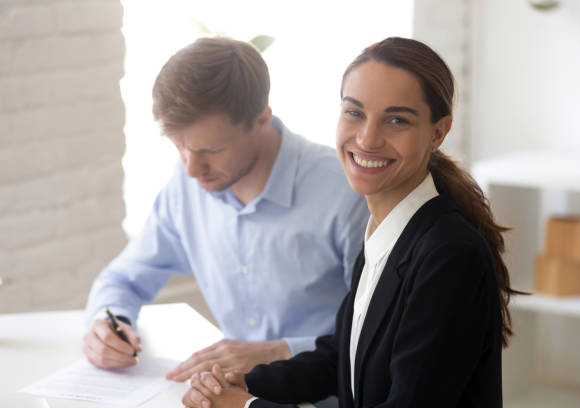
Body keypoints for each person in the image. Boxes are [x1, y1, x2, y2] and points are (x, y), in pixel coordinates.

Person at [182, 37, 520, 408]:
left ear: (438, 132)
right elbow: (340, 357)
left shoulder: (450, 256)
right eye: (354, 113)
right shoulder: (383, 232)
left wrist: (246, 406)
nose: (367, 138)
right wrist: (241, 382)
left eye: (396, 120)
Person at [82, 36, 369, 392]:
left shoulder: (348, 195)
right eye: (179, 147)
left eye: (211, 150)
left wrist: (279, 352)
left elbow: (381, 337)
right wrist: (109, 323)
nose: (191, 169)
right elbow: (123, 279)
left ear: (262, 116)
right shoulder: (187, 186)